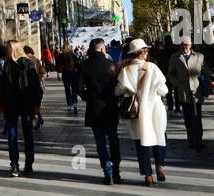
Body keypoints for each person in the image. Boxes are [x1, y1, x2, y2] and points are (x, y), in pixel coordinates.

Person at [115, 38, 169, 185]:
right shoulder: (152, 68)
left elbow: (118, 90)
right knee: (159, 136)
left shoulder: (125, 70)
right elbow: (164, 90)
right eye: (145, 50)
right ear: (141, 53)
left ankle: (148, 175)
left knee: (141, 142)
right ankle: (159, 167)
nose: (147, 53)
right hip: (154, 109)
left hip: (137, 112)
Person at [80, 38, 122, 184]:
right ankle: (116, 170)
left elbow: (79, 88)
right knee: (113, 139)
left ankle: (107, 171)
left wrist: (88, 97)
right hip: (110, 107)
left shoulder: (84, 65)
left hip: (94, 108)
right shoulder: (111, 65)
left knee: (100, 142)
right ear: (103, 49)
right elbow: (119, 87)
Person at [0, 42, 43, 177]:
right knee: (12, 135)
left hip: (26, 103)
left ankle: (28, 164)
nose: (6, 51)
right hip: (11, 104)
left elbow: (36, 86)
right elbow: (2, 86)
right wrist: (1, 102)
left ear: (14, 50)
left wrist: (36, 104)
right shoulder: (6, 64)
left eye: (8, 48)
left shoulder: (27, 64)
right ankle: (14, 164)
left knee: (27, 134)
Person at [167, 36, 206, 152]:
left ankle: (199, 140)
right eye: (183, 45)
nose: (185, 47)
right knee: (188, 117)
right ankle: (191, 140)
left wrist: (206, 84)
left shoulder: (199, 56)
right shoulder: (175, 57)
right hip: (183, 90)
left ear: (191, 45)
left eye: (187, 45)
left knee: (197, 117)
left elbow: (204, 72)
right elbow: (170, 74)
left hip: (196, 90)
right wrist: (177, 84)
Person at [23, 44, 45, 127]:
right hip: (36, 84)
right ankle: (38, 119)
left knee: (31, 104)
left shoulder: (24, 61)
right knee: (35, 103)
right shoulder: (36, 60)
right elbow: (43, 71)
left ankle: (35, 119)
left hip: (27, 85)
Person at [60, 44, 78, 112]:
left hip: (65, 74)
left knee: (67, 90)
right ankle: (75, 104)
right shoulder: (73, 54)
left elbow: (59, 64)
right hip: (73, 74)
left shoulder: (62, 55)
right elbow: (77, 64)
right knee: (74, 89)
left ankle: (69, 105)